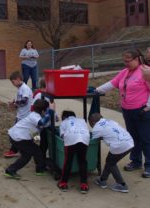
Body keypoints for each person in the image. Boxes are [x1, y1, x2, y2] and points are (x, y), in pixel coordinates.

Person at [96, 49, 150, 178]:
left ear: (137, 59)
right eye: (124, 61)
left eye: (128, 61)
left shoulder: (145, 71)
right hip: (127, 110)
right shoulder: (125, 72)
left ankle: (149, 165)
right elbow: (112, 83)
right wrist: (96, 90)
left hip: (142, 111)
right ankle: (135, 161)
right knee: (133, 137)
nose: (126, 64)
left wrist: (148, 107)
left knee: (145, 138)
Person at [4, 99, 54, 179]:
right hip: (19, 137)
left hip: (16, 136)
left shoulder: (35, 115)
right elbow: (41, 123)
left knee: (27, 155)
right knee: (37, 151)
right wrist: (50, 111)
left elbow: (34, 129)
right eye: (46, 110)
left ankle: (11, 170)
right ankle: (39, 169)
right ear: (43, 110)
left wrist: (36, 139)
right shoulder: (35, 116)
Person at [89, 113, 134, 193]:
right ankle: (102, 180)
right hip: (129, 141)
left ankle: (122, 185)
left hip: (119, 145)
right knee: (110, 161)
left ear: (92, 123)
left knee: (111, 163)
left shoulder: (96, 128)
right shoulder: (110, 121)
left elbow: (91, 141)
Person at [57, 110, 90, 194]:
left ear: (64, 117)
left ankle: (63, 183)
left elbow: (62, 135)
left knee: (68, 161)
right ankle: (84, 185)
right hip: (84, 138)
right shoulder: (82, 120)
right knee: (82, 161)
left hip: (71, 139)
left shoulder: (64, 122)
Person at [3, 71, 33, 158]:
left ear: (18, 79)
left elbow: (24, 101)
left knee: (14, 134)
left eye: (13, 82)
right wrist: (14, 105)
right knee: (21, 134)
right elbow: (22, 103)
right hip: (21, 115)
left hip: (25, 116)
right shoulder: (20, 89)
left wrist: (15, 102)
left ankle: (15, 151)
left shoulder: (25, 88)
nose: (13, 84)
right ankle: (20, 150)